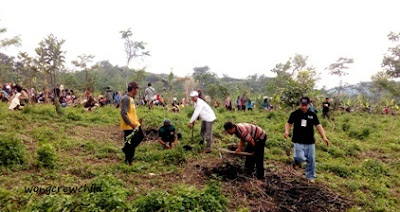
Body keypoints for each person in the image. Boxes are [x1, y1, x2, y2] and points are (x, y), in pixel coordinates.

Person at [284, 97, 329, 183]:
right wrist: (286, 131)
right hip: (298, 140)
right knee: (299, 157)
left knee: (311, 159)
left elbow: (318, 126)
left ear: (309, 105)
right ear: (299, 104)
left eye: (306, 105)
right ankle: (297, 162)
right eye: (302, 105)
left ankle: (311, 177)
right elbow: (288, 124)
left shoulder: (312, 114)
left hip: (310, 141)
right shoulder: (294, 114)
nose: (304, 107)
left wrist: (324, 137)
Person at [120, 82, 144, 165]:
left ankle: (126, 150)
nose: (137, 91)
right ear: (133, 89)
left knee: (140, 137)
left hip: (134, 124)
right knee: (130, 142)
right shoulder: (126, 98)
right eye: (137, 89)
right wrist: (130, 124)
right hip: (129, 126)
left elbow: (131, 112)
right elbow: (123, 113)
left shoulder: (131, 99)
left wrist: (137, 120)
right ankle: (128, 160)